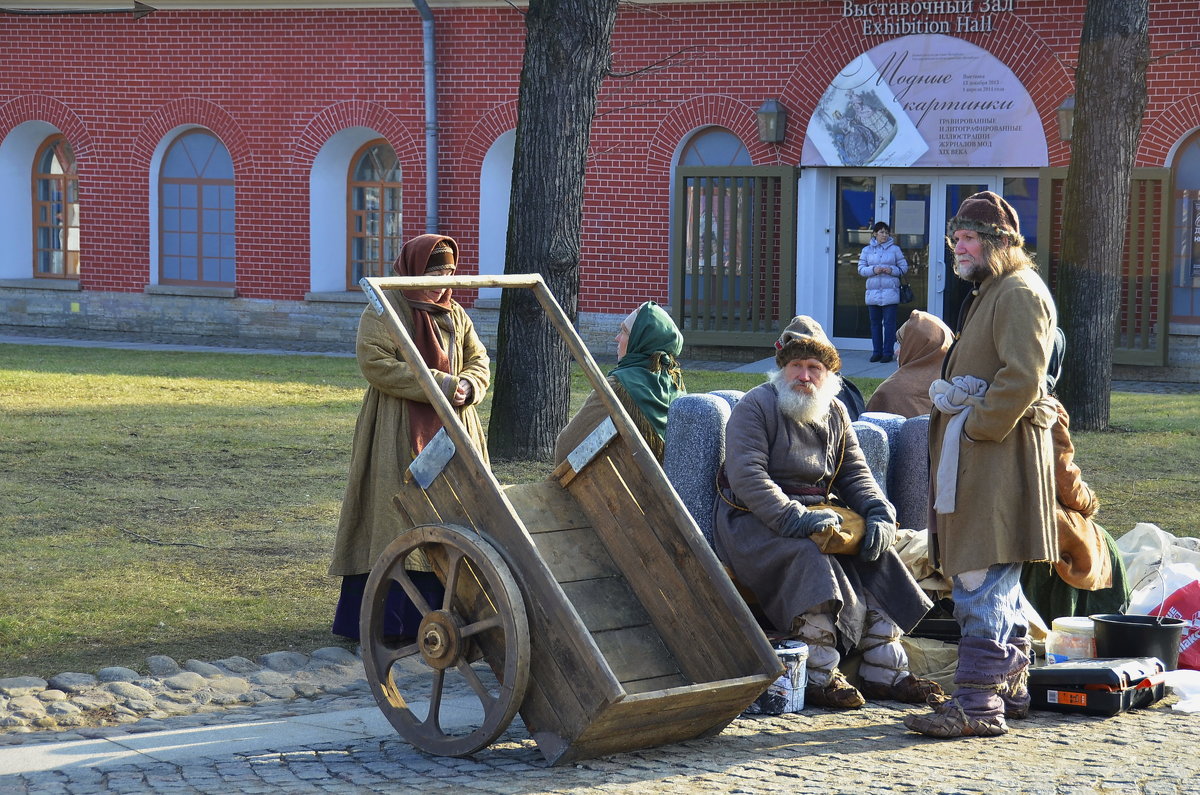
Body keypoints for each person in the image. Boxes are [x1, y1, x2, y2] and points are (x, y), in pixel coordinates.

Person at [713, 315, 942, 709]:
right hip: (755, 521)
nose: (804, 376)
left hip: (820, 516)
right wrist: (793, 518)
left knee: (879, 556)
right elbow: (747, 476)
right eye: (796, 366)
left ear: (828, 374)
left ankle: (884, 671)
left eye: (813, 368)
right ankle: (819, 675)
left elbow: (857, 474)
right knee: (810, 558)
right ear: (782, 369)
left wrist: (878, 514)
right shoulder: (756, 406)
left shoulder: (835, 412)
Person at [905, 191, 1058, 739]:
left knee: (981, 575)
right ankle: (1008, 690)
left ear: (998, 243)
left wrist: (976, 426)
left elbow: (1023, 378)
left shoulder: (1018, 292)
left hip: (997, 458)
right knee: (994, 578)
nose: (958, 247)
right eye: (956, 239)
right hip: (983, 456)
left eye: (968, 238)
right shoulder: (991, 291)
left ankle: (976, 704)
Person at [329, 234, 491, 641]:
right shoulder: (385, 309)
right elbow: (375, 361)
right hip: (396, 427)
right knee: (394, 516)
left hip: (453, 430)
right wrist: (438, 383)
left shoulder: (455, 314)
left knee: (451, 514)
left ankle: (450, 613)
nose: (442, 281)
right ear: (415, 269)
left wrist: (469, 386)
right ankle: (389, 622)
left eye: (450, 272)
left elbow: (479, 359)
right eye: (435, 272)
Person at [1019, 328, 1131, 623]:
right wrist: (1088, 503)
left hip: (978, 512)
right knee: (1099, 544)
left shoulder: (973, 395)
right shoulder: (1045, 408)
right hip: (1030, 518)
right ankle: (1088, 623)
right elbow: (1064, 480)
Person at [554, 301, 685, 465]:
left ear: (639, 341)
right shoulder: (676, 385)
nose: (617, 338)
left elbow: (566, 446)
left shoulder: (619, 387)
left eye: (624, 332)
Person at [864, 310, 953, 418]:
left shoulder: (889, 392)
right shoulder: (961, 389)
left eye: (902, 345)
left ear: (917, 348)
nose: (896, 351)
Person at [857, 221, 909, 363]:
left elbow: (904, 268)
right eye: (881, 232)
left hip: (890, 293)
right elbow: (861, 269)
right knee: (875, 324)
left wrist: (891, 270)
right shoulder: (866, 250)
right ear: (875, 233)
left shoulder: (895, 250)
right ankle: (876, 352)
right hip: (872, 294)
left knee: (889, 324)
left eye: (886, 232)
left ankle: (888, 352)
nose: (884, 235)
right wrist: (873, 270)